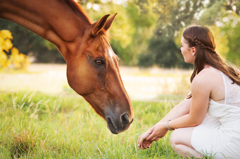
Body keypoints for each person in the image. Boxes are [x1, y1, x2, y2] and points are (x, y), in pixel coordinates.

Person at [137, 25, 240, 158]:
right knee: (207, 115)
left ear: (193, 50)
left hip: (234, 142)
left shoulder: (203, 79)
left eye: (182, 45)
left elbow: (195, 119)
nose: (180, 50)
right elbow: (184, 107)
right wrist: (154, 129)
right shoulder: (231, 71)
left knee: (177, 137)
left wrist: (166, 126)